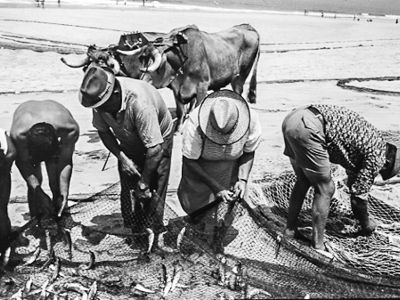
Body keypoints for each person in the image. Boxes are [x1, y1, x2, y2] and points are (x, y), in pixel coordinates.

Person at [282, 104, 400, 253]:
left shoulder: (372, 142)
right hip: (310, 128)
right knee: (326, 189)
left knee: (303, 181)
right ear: (387, 162)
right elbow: (358, 198)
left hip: (294, 118)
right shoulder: (378, 157)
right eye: (383, 171)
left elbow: (353, 185)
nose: (377, 172)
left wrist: (357, 202)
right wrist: (366, 224)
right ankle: (318, 245)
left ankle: (290, 230)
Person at [79, 63, 174, 235]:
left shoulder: (140, 103)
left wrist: (144, 183)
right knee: (129, 188)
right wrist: (123, 158)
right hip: (128, 143)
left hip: (158, 142)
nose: (99, 110)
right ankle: (135, 229)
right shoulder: (99, 100)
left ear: (115, 94)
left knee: (154, 186)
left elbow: (155, 150)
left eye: (103, 105)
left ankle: (154, 230)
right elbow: (103, 131)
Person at [178, 90, 261, 249]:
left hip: (230, 168)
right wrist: (216, 188)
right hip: (200, 168)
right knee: (197, 209)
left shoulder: (251, 119)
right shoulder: (196, 121)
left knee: (227, 207)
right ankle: (196, 232)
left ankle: (217, 239)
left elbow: (249, 151)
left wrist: (242, 180)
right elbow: (189, 160)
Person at [10, 100, 79, 222]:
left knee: (55, 184)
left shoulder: (69, 129)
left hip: (55, 115)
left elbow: (65, 161)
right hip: (25, 118)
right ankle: (35, 220)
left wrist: (64, 193)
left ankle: (60, 211)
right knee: (35, 185)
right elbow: (23, 163)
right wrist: (38, 190)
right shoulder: (19, 135)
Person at [0, 128, 16, 255]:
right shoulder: (1, 131)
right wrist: (6, 168)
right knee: (2, 210)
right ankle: (6, 245)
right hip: (3, 171)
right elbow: (11, 152)